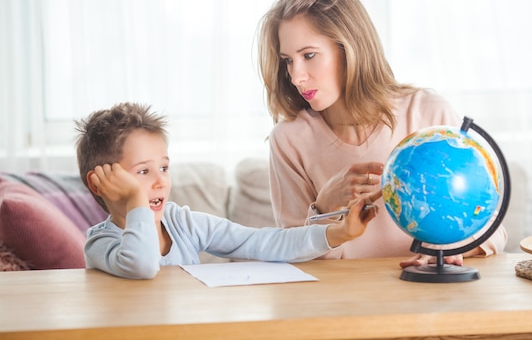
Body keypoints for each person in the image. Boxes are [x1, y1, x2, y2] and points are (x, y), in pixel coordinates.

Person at [257, 0, 507, 266]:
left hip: (427, 297)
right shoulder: (289, 139)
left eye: (309, 55)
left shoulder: (427, 113)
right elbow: (292, 256)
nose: (296, 76)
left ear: (349, 49)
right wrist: (324, 207)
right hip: (340, 303)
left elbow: (492, 231)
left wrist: (448, 250)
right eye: (287, 60)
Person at [75, 102, 377, 279]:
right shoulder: (100, 242)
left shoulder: (183, 224)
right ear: (98, 182)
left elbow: (262, 242)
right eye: (143, 171)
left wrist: (337, 235)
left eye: (164, 168)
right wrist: (136, 201)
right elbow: (142, 265)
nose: (160, 182)